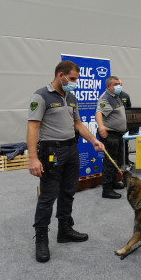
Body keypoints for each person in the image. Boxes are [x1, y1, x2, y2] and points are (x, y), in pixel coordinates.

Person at [28, 60, 105, 263]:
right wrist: (33, 158)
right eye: (72, 79)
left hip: (72, 149)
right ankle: (41, 239)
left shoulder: (71, 97)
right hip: (51, 152)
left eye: (76, 79)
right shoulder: (41, 96)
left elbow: (78, 124)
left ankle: (65, 230)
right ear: (60, 75)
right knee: (47, 196)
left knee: (68, 191)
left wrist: (94, 140)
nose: (75, 82)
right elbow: (33, 127)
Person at [96, 75, 128, 199]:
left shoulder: (116, 97)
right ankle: (107, 189)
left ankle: (113, 182)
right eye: (115, 84)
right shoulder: (106, 98)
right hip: (110, 135)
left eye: (119, 83)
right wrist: (101, 127)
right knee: (110, 162)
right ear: (108, 86)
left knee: (117, 160)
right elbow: (98, 113)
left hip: (118, 134)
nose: (119, 86)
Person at [118, 79, 134, 169]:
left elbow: (129, 110)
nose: (119, 86)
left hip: (125, 126)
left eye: (120, 85)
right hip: (114, 127)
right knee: (117, 146)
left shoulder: (125, 96)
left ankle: (126, 161)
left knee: (125, 145)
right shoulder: (109, 97)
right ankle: (119, 164)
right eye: (117, 85)